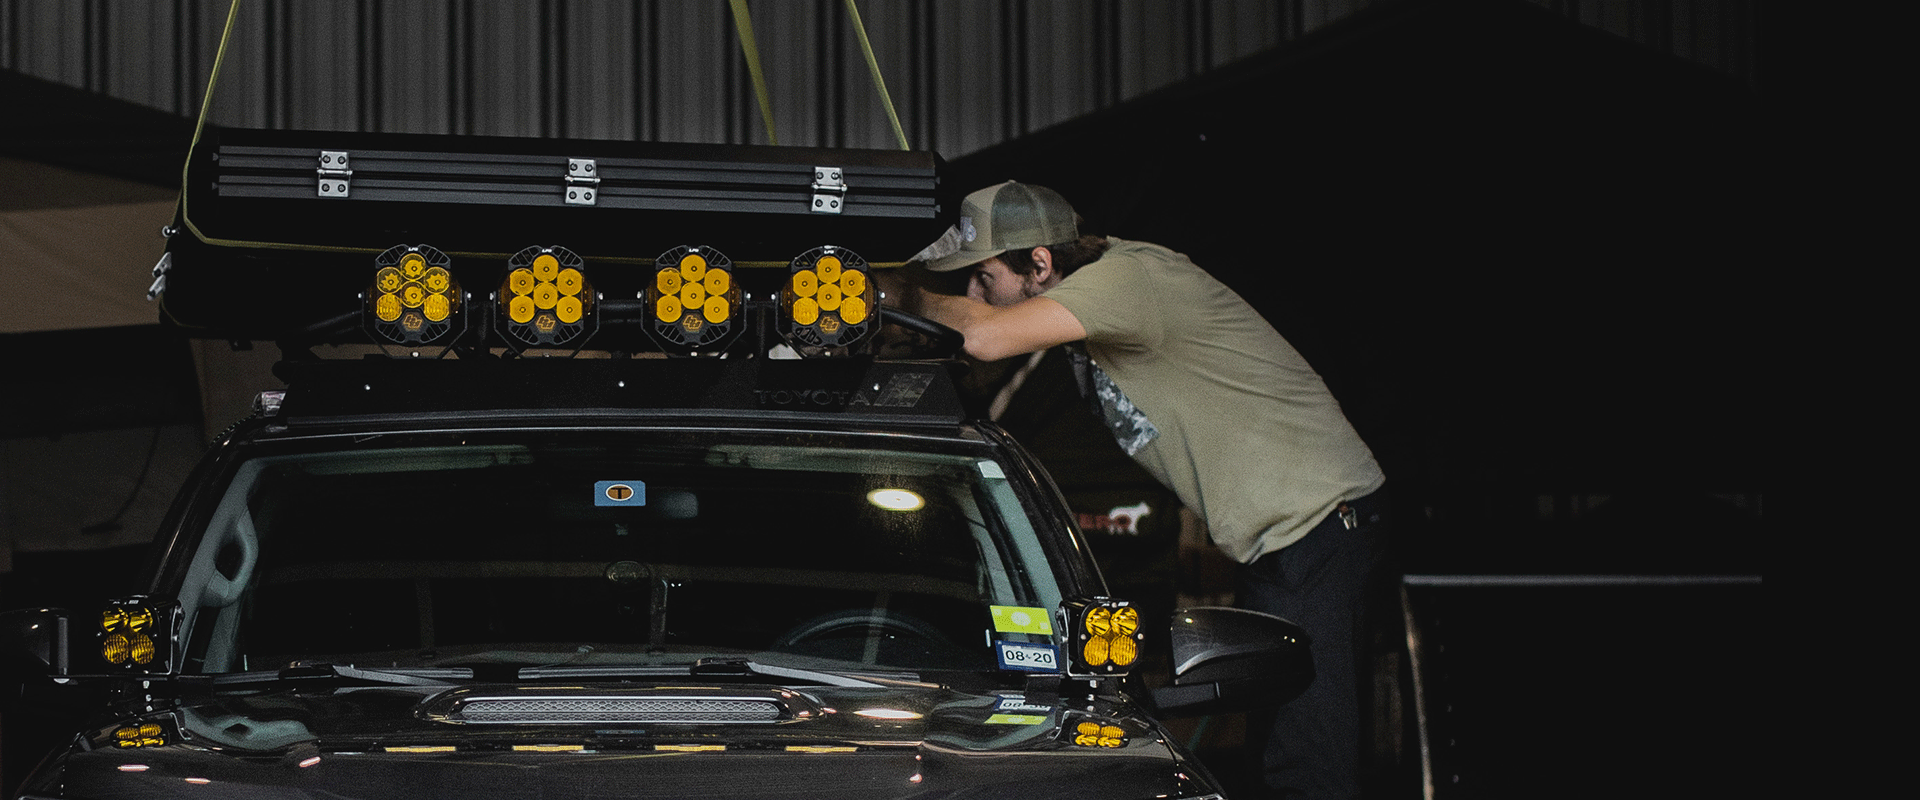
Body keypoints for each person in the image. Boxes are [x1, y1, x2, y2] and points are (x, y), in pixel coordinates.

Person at [911, 181, 1390, 800]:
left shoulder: (1130, 279)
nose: (977, 295)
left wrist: (906, 293)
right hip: (1285, 539)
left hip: (1319, 528)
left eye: (982, 278)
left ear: (1039, 264)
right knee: (1279, 754)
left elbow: (983, 336)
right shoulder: (1107, 301)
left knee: (1305, 764)